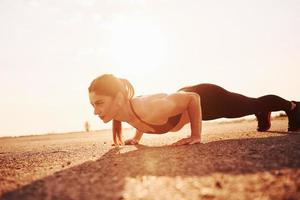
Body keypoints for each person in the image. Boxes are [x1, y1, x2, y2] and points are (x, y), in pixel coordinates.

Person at [88, 74, 300, 146]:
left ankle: (293, 107)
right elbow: (137, 119)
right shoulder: (123, 111)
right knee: (249, 105)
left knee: (251, 103)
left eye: (99, 103)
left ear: (117, 98)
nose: (96, 111)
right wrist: (136, 138)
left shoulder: (150, 107)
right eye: (93, 105)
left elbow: (193, 98)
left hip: (205, 98)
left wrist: (196, 135)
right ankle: (261, 112)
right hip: (191, 103)